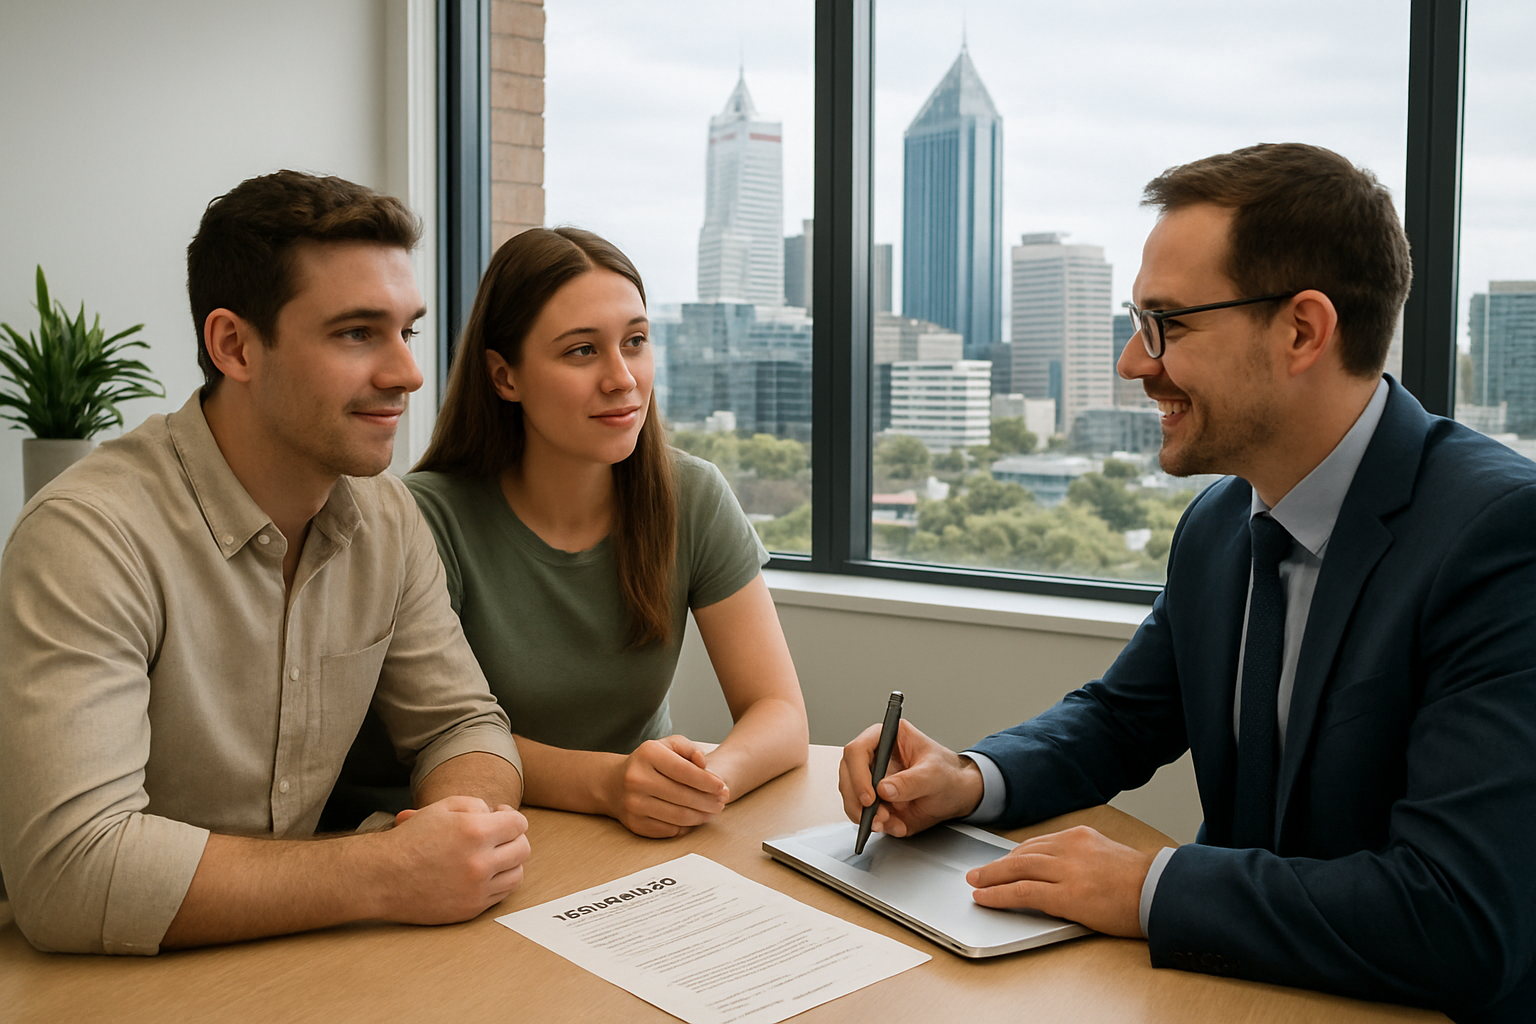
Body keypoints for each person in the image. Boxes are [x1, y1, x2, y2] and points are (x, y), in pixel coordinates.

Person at [838, 144, 1536, 1023]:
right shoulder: (1221, 522)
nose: (1135, 362)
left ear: (1302, 331)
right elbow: (1123, 717)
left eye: (1167, 324)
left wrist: (1147, 887)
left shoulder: (1501, 539)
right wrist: (970, 778)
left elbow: (1457, 919)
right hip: (1231, 991)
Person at [0, 170, 531, 955]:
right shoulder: (87, 536)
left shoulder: (388, 516)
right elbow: (72, 872)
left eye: (406, 331)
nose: (408, 373)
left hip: (296, 960)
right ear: (234, 345)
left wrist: (460, 826)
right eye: (357, 333)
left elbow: (461, 723)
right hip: (97, 982)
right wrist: (385, 870)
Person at [331, 226, 808, 839]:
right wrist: (611, 784)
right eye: (582, 351)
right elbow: (440, 739)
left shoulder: (693, 494)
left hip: (626, 835)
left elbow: (780, 713)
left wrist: (699, 786)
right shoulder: (420, 518)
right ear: (505, 377)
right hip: (446, 836)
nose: (622, 378)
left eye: (635, 342)